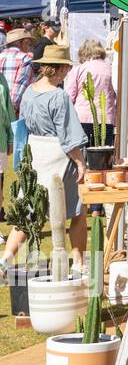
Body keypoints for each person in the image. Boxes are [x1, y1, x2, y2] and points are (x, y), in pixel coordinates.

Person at [1, 45, 87, 274]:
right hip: (59, 156)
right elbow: (68, 135)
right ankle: (79, 263)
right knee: (78, 211)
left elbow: (24, 125)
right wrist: (80, 162)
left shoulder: (30, 91)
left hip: (35, 153)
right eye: (67, 68)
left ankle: (6, 258)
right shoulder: (59, 97)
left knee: (29, 211)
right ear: (60, 69)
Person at [65, 38, 118, 149]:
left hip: (82, 117)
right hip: (106, 118)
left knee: (83, 156)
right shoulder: (111, 68)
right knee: (103, 156)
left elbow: (69, 96)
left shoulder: (78, 69)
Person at [0, 27, 36, 115]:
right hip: (12, 113)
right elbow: (18, 91)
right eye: (28, 44)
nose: (29, 48)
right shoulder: (25, 59)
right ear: (23, 42)